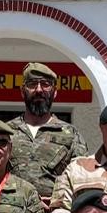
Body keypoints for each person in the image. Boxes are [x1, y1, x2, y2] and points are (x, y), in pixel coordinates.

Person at [8, 61, 88, 205]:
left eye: (45, 84)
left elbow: (81, 180)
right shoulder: (6, 132)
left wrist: (58, 201)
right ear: (22, 91)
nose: (39, 90)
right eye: (32, 84)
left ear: (55, 92)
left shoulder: (71, 135)